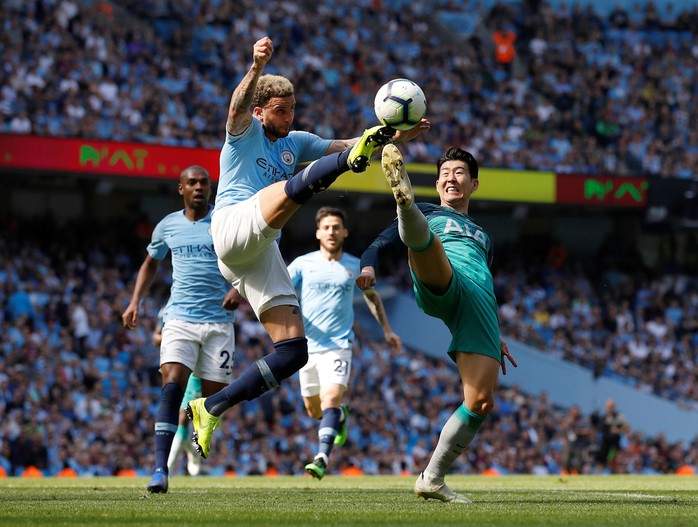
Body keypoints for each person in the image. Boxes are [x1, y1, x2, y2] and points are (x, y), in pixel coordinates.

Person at [186, 36, 428, 460]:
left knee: (294, 352)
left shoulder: (296, 141)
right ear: (261, 112)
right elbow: (235, 106)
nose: (289, 116)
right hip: (231, 226)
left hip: (260, 251)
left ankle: (211, 407)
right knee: (290, 189)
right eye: (281, 110)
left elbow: (346, 146)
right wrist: (256, 66)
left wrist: (389, 134)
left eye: (292, 108)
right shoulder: (243, 132)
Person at [357, 144, 517, 503]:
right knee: (428, 244)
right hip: (440, 274)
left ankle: (432, 478)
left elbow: (486, 279)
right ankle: (404, 205)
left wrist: (497, 332)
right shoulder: (432, 210)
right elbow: (378, 244)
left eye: (459, 173)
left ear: (474, 184)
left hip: (477, 303)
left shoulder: (485, 237)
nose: (450, 178)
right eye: (444, 174)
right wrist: (368, 267)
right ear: (437, 183)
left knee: (480, 402)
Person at [122, 165, 240, 493]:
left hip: (219, 322)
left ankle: (197, 432)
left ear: (211, 189)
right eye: (192, 183)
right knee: (172, 384)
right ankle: (160, 470)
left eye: (204, 183)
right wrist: (135, 302)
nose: (199, 187)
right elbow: (150, 262)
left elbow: (251, 261)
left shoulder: (224, 222)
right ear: (181, 189)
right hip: (180, 319)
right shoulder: (167, 226)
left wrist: (239, 287)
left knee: (215, 400)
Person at [287, 206, 402, 479]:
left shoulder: (354, 265)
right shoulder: (303, 264)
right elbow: (280, 290)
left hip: (339, 344)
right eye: (326, 227)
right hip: (307, 347)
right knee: (314, 409)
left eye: (336, 227)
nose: (331, 232)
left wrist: (387, 329)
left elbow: (372, 297)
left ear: (345, 232)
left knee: (331, 397)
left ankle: (321, 457)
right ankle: (339, 417)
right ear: (318, 232)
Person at [593, 398, 628, 474]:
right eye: (608, 406)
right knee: (600, 460)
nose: (609, 408)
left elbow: (627, 428)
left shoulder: (619, 416)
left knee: (615, 461)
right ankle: (598, 476)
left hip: (615, 443)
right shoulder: (603, 417)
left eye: (611, 406)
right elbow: (599, 429)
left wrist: (618, 431)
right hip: (605, 442)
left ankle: (616, 476)